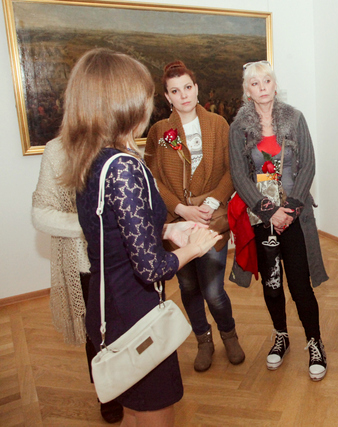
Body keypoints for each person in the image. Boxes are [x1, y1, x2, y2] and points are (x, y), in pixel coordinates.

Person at [60, 48, 219, 426]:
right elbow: (151, 268)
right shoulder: (124, 166)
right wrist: (194, 248)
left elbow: (111, 231)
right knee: (151, 411)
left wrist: (167, 229)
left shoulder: (90, 156)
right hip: (136, 314)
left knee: (133, 410)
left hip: (108, 305)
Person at [228, 60, 329, 381]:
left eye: (267, 81)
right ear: (247, 91)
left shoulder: (295, 118)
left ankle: (315, 342)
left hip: (294, 217)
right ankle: (281, 336)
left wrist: (290, 209)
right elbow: (238, 175)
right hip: (262, 219)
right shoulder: (239, 128)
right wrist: (270, 211)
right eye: (255, 83)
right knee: (272, 285)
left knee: (300, 285)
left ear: (275, 85)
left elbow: (309, 164)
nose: (262, 88)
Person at [145, 61, 244, 372]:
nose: (184, 95)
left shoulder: (218, 124)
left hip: (211, 220)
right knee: (188, 288)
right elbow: (153, 179)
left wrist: (211, 203)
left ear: (197, 88)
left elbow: (232, 170)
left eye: (188, 87)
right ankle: (204, 340)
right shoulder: (159, 132)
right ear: (167, 97)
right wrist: (180, 209)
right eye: (175, 91)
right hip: (177, 224)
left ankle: (229, 335)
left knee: (213, 291)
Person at [32, 137, 124, 423]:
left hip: (125, 258)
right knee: (97, 333)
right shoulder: (56, 149)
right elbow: (41, 214)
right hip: (85, 262)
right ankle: (107, 393)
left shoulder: (119, 139)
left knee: (128, 327)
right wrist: (92, 224)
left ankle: (132, 383)